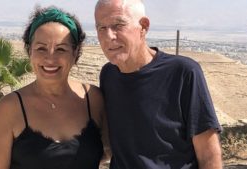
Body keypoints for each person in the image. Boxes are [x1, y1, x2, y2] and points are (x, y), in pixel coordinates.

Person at [95, 0, 222, 169]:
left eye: (118, 25)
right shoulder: (108, 75)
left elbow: (208, 154)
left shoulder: (183, 72)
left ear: (144, 26)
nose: (109, 36)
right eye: (101, 28)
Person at [0, 6, 109, 169]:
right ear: (30, 51)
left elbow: (115, 153)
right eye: (41, 48)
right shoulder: (10, 108)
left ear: (75, 51)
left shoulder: (93, 99)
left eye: (61, 49)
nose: (50, 58)